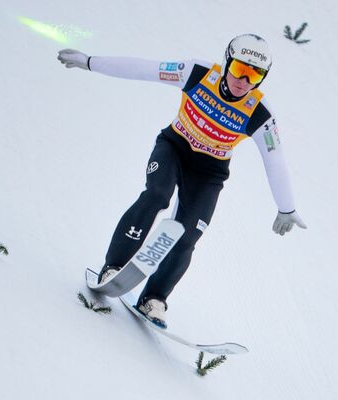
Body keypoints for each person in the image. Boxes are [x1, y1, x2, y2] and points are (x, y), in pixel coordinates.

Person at [58, 34, 306, 328]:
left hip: (209, 173)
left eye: (254, 75)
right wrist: (90, 62)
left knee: (189, 233)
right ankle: (113, 267)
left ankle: (154, 298)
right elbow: (143, 69)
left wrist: (286, 208)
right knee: (156, 195)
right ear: (227, 62)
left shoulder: (260, 114)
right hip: (174, 148)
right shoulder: (197, 73)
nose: (244, 81)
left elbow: (275, 161)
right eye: (240, 69)